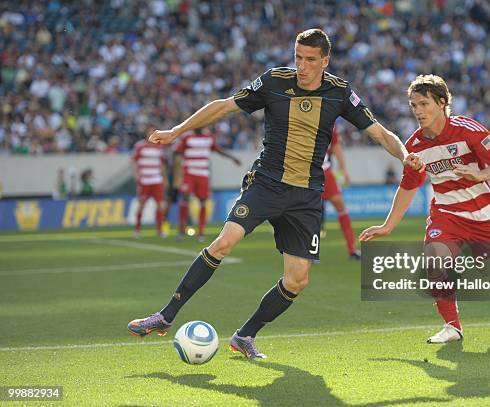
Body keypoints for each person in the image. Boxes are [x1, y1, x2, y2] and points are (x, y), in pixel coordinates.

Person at [127, 29, 420, 358]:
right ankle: (165, 316)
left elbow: (380, 133)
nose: (302, 66)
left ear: (325, 61)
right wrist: (176, 131)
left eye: (310, 60)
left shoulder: (340, 93)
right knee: (224, 241)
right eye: (298, 57)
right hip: (266, 182)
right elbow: (224, 107)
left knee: (297, 280)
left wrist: (404, 154)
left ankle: (244, 336)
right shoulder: (274, 82)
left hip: (307, 195)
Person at [360, 74, 490, 344]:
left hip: (485, 216)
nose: (418, 111)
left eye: (424, 104)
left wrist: (482, 175)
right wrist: (388, 226)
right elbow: (408, 187)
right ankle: (452, 326)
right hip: (447, 214)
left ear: (442, 102)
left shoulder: (467, 130)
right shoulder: (415, 147)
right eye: (414, 105)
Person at [173, 127, 241, 242]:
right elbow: (177, 154)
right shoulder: (186, 137)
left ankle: (201, 232)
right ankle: (181, 230)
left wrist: (232, 157)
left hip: (203, 174)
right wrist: (177, 175)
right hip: (189, 173)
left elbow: (218, 150)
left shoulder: (208, 137)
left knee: (203, 201)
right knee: (185, 198)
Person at [321, 126, 360, 260]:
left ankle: (352, 249)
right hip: (305, 172)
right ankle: (307, 251)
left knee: (339, 204)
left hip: (325, 171)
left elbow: (335, 144)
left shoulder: (329, 119)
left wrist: (343, 170)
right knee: (308, 212)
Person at [131, 132, 168, 238]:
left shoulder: (159, 147)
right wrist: (136, 175)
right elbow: (134, 161)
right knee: (142, 205)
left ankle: (159, 230)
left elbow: (162, 164)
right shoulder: (140, 146)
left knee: (160, 205)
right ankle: (137, 230)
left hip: (157, 180)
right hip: (145, 180)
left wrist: (164, 178)